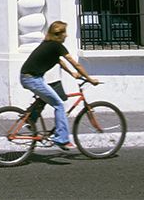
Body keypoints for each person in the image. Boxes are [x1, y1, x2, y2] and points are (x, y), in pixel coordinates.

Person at [20, 20, 99, 150]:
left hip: (32, 77)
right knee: (59, 105)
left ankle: (30, 119)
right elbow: (76, 63)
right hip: (32, 79)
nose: (66, 36)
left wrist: (72, 74)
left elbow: (59, 61)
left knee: (50, 95)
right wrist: (89, 79)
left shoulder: (49, 45)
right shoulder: (56, 46)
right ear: (59, 34)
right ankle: (61, 139)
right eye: (64, 33)